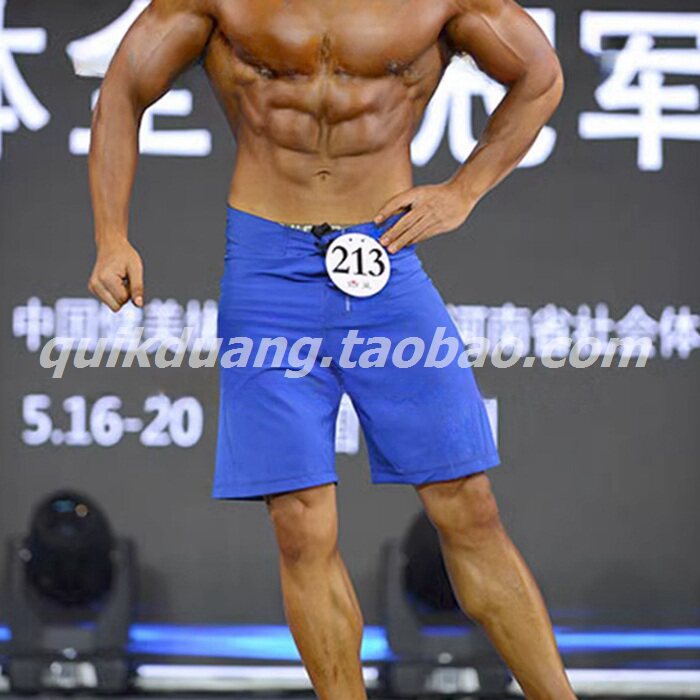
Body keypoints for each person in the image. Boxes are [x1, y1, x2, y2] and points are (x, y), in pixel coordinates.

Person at [87, 1, 573, 697]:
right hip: (266, 268)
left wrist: (464, 191)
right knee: (299, 523)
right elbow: (123, 88)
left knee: (468, 504)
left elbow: (540, 75)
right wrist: (111, 235)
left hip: (385, 258)